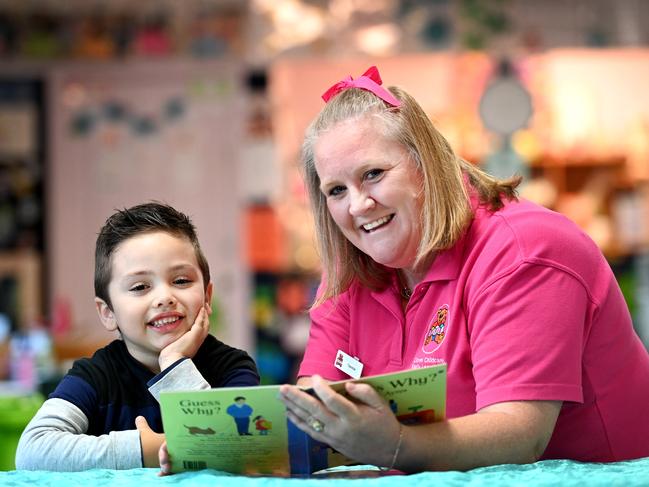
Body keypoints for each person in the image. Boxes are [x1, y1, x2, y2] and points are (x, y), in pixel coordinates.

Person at [278, 66, 649, 472]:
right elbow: (315, 412)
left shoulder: (526, 251)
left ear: (426, 163)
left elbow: (519, 434)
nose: (358, 205)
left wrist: (395, 444)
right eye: (336, 190)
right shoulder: (351, 273)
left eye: (373, 174)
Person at [16, 202, 259, 471]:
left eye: (181, 281)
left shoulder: (232, 367)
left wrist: (175, 363)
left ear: (207, 296)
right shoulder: (96, 376)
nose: (164, 297)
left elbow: (240, 447)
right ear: (108, 313)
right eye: (140, 286)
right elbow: (32, 451)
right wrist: (147, 449)